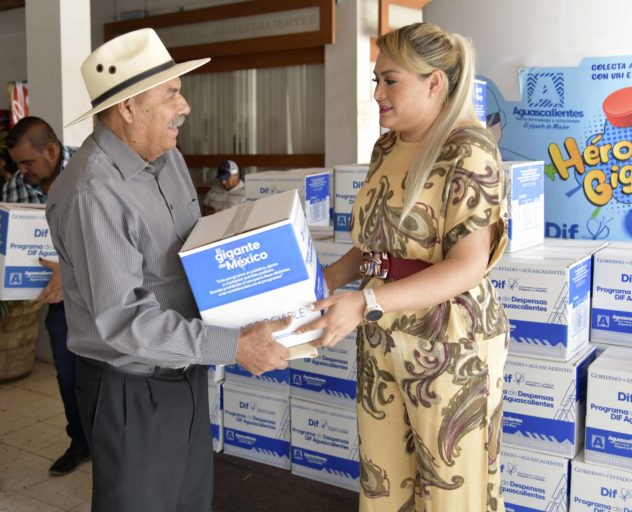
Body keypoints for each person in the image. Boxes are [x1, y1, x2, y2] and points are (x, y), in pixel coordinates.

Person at [46, 28, 291, 512]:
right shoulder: (94, 192)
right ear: (129, 107)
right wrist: (235, 346)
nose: (186, 107)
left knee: (189, 501)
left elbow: (190, 251)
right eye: (172, 94)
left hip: (186, 369)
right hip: (130, 390)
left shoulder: (167, 157)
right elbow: (123, 322)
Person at [296, 23, 509, 511]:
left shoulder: (469, 149)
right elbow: (376, 246)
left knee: (450, 492)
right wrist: (322, 284)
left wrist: (366, 301)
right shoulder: (387, 147)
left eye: (390, 80)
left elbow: (467, 266)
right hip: (381, 334)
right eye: (376, 80)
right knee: (383, 484)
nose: (376, 94)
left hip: (450, 344)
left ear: (435, 82)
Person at [3, 116, 91, 476]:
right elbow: (11, 248)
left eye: (28, 162)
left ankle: (113, 443)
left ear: (52, 150)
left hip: (102, 294)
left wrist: (66, 269)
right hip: (60, 302)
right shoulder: (17, 189)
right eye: (18, 164)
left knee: (110, 373)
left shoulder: (91, 171)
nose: (22, 172)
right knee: (68, 374)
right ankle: (80, 442)